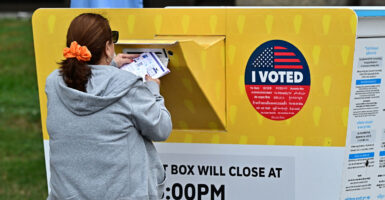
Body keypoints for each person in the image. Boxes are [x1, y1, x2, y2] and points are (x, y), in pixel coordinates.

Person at [45, 13, 172, 200]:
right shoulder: (129, 86)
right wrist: (153, 89)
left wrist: (110, 65)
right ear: (107, 47)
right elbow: (162, 128)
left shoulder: (54, 83)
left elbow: (87, 81)